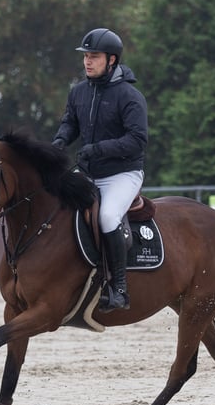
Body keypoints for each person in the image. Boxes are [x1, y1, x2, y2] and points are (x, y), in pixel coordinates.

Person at [52, 28, 148, 312]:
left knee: (106, 217)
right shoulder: (79, 92)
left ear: (112, 60)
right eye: (85, 56)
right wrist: (60, 141)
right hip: (89, 172)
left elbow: (137, 140)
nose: (87, 62)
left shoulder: (129, 96)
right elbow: (70, 123)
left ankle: (119, 288)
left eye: (94, 56)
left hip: (123, 174)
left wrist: (99, 149)